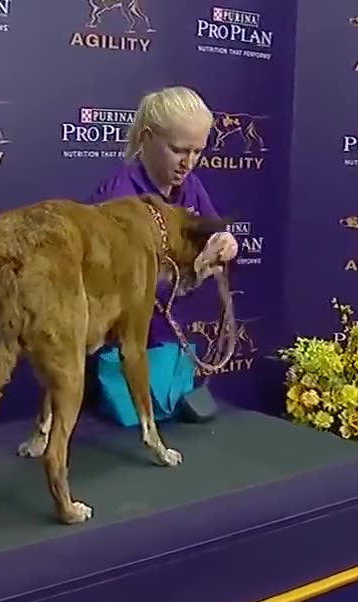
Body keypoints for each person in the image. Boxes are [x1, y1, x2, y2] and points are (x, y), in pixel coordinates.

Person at [87, 85, 238, 423]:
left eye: (198, 152)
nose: (189, 163)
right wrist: (190, 272)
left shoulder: (191, 186)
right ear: (147, 137)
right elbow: (118, 286)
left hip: (170, 349)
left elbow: (211, 228)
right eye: (179, 150)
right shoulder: (118, 198)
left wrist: (223, 242)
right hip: (123, 348)